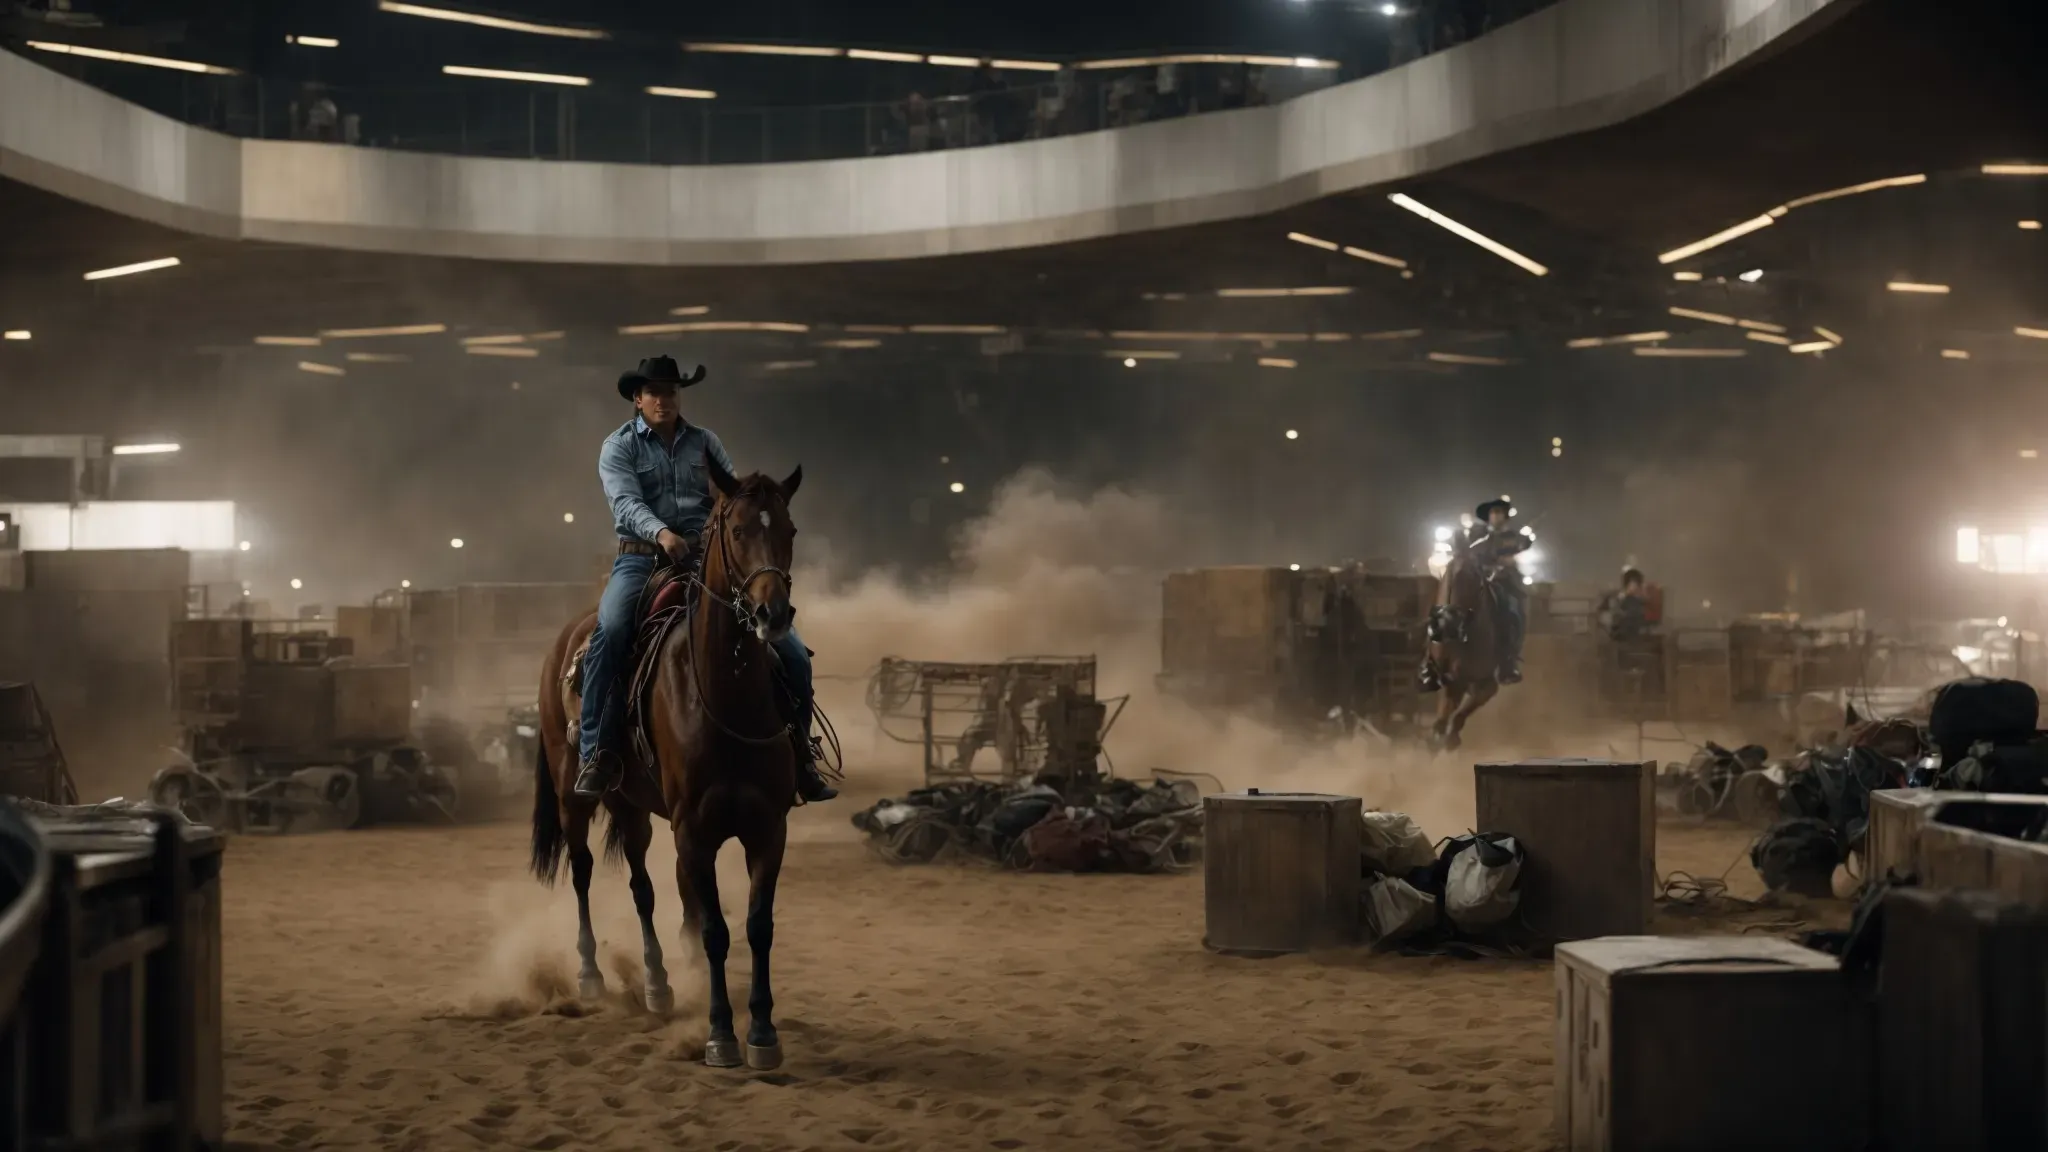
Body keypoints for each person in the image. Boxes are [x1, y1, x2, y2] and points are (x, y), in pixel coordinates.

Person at [572, 355, 837, 804]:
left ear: (679, 396)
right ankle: (596, 751)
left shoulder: (705, 442)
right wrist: (663, 534)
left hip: (704, 557)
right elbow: (625, 503)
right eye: (654, 392)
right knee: (612, 631)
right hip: (641, 559)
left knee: (792, 650)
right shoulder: (619, 447)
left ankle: (801, 756)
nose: (663, 399)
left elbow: (727, 497)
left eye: (671, 391)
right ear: (638, 399)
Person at [1467, 497, 1533, 684]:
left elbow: (1524, 546)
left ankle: (1508, 660)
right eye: (1492, 513)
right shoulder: (1478, 538)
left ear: (1505, 516)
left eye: (1499, 512)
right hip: (1479, 582)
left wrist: (1510, 560)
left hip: (1506, 583)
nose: (1495, 516)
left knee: (1514, 612)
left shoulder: (1515, 538)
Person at [1607, 568, 1652, 641]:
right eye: (1637, 584)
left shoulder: (1637, 599)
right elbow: (1615, 616)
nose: (1638, 587)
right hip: (1622, 634)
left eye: (1639, 584)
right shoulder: (1620, 598)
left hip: (1633, 635)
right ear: (1629, 583)